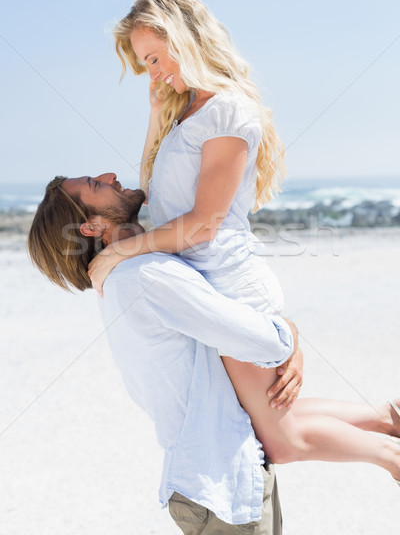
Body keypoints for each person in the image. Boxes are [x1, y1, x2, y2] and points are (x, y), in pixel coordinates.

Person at [87, 0, 400, 485]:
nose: (154, 73)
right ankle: (389, 420)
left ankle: (390, 452)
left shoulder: (226, 110)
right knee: (263, 418)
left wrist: (120, 250)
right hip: (208, 284)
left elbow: (204, 221)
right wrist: (153, 115)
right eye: (144, 64)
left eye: (153, 58)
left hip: (231, 282)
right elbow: (152, 196)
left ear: (183, 38)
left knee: (282, 439)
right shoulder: (186, 112)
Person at [28, 173, 301, 534]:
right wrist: (292, 333)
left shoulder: (122, 276)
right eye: (95, 184)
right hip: (221, 489)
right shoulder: (145, 275)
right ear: (92, 226)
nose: (110, 175)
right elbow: (268, 344)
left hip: (214, 482)